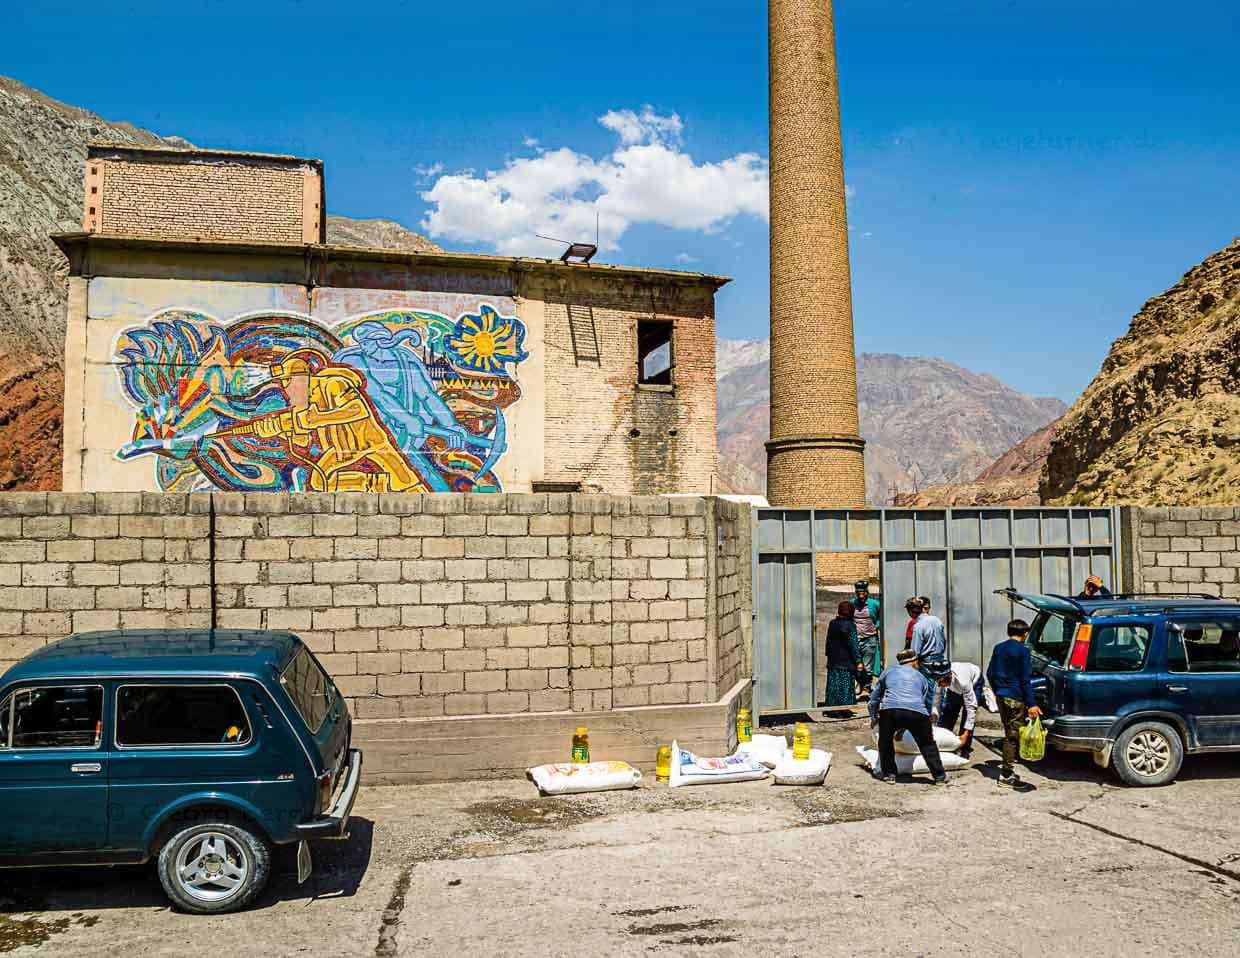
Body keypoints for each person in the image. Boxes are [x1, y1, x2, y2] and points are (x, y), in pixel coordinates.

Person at [868, 648, 947, 786]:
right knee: (928, 744)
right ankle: (939, 776)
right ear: (914, 662)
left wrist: (874, 718)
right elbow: (917, 705)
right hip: (917, 713)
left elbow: (874, 699)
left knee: (885, 742)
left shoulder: (888, 671)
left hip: (890, 711)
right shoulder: (922, 678)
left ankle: (889, 774)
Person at [986, 619, 1043, 789]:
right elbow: (1025, 680)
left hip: (1002, 696)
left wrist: (998, 691)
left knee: (1007, 731)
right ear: (1025, 633)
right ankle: (1006, 775)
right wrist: (1032, 704)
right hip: (1015, 698)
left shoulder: (999, 648)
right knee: (1012, 736)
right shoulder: (1023, 651)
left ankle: (1007, 769)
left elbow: (990, 673)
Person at [931, 660, 985, 758]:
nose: (938, 685)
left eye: (940, 682)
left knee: (966, 716)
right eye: (937, 681)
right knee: (948, 712)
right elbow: (937, 699)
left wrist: (965, 734)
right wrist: (935, 714)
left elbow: (971, 709)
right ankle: (943, 743)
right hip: (954, 687)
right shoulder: (940, 680)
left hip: (975, 682)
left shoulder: (963, 682)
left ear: (948, 678)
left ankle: (964, 748)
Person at [825, 601, 861, 707]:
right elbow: (853, 645)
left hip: (833, 661)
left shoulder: (832, 623)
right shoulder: (850, 626)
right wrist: (858, 660)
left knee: (833, 685)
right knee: (845, 686)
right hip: (846, 662)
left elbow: (828, 641)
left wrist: (828, 654)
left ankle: (832, 708)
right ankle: (844, 708)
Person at [851, 581, 882, 695]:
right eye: (858, 594)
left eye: (863, 593)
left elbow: (880, 617)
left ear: (867, 593)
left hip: (870, 639)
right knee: (857, 665)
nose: (861, 597)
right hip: (855, 640)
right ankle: (859, 684)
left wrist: (876, 626)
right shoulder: (852, 604)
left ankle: (866, 687)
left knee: (868, 667)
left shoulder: (875, 604)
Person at [910, 597, 948, 677]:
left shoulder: (918, 626)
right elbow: (944, 641)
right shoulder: (937, 620)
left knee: (928, 687)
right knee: (939, 686)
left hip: (926, 663)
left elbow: (915, 652)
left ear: (911, 611)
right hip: (940, 659)